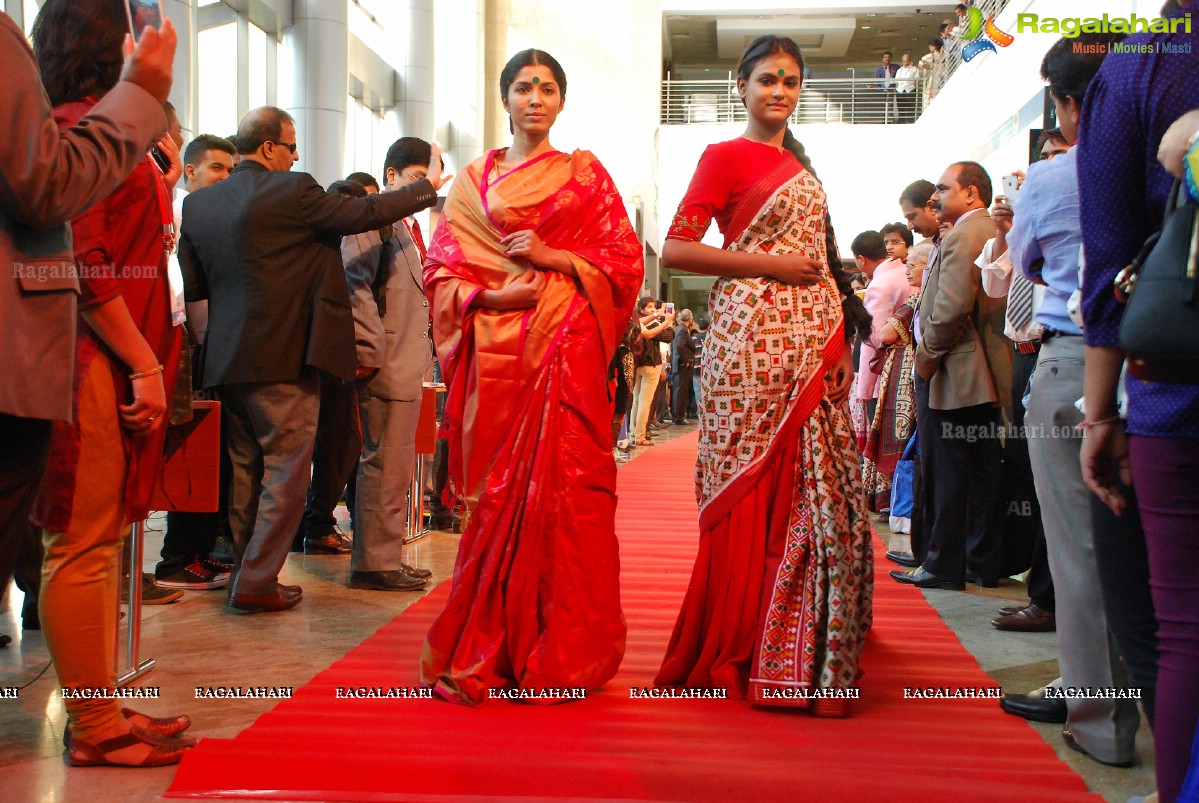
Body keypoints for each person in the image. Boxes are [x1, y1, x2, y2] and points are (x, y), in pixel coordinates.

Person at [655, 34, 873, 715]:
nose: (778, 90)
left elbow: (822, 263)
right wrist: (767, 267)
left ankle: (800, 636)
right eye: (766, 80)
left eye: (790, 80)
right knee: (749, 480)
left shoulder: (801, 168)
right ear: (740, 86)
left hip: (813, 342)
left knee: (809, 483)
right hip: (746, 340)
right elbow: (676, 248)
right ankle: (739, 636)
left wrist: (839, 343)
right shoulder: (722, 157)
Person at [421, 48, 643, 705]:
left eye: (547, 88)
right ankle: (490, 640)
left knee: (567, 499)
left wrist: (552, 258)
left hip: (563, 354)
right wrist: (490, 300)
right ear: (505, 98)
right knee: (496, 501)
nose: (535, 99)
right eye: (523, 88)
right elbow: (442, 270)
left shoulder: (584, 175)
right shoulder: (472, 181)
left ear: (561, 100)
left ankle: (561, 647)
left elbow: (623, 264)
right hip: (495, 361)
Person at [178, 106, 445, 613]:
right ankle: (257, 581)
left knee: (243, 471)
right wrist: (425, 187)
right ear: (270, 148)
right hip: (285, 357)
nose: (297, 154)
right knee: (286, 472)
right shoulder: (293, 191)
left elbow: (197, 291)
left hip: (226, 358)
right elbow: (365, 214)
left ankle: (244, 569)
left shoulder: (200, 208)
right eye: (292, 144)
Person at [24, 0, 195, 767]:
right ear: (108, 39)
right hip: (92, 363)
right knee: (82, 544)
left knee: (101, 542)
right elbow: (86, 261)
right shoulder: (75, 124)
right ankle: (93, 725)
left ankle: (99, 702)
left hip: (116, 362)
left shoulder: (99, 120)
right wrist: (144, 362)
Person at [1077, 2, 1199, 797]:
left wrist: (1096, 415)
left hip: (1176, 385)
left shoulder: (1138, 64)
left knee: (1184, 630)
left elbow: (1110, 261)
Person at [892, 161, 1010, 590]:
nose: (935, 197)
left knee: (948, 472)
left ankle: (943, 565)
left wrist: (926, 357)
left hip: (955, 369)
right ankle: (980, 561)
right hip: (975, 371)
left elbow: (950, 308)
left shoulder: (965, 233)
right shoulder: (977, 230)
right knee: (979, 472)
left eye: (943, 188)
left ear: (972, 194)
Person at [343, 137, 441, 592]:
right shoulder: (374, 218)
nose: (425, 189)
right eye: (417, 179)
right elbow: (353, 282)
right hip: (386, 361)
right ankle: (373, 563)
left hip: (407, 361)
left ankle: (384, 555)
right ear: (391, 177)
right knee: (383, 463)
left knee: (397, 465)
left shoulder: (406, 227)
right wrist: (370, 348)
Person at [155, 133, 238, 590]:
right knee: (190, 453)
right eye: (217, 169)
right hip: (188, 345)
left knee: (210, 455)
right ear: (190, 171)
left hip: (205, 345)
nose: (226, 177)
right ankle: (179, 556)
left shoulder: (208, 213)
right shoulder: (185, 212)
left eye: (230, 169)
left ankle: (199, 550)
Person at [628, 296, 675, 446]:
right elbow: (667, 336)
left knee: (637, 400)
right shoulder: (646, 323)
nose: (653, 309)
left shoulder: (636, 321)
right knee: (644, 402)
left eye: (654, 306)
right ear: (641, 309)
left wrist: (658, 316)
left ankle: (633, 432)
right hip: (650, 365)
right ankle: (640, 435)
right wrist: (667, 321)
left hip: (637, 364)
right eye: (649, 307)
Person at [895, 52, 919, 123]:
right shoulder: (899, 70)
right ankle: (901, 121)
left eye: (907, 61)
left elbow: (917, 80)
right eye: (904, 61)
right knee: (900, 107)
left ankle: (911, 121)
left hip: (910, 89)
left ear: (910, 60)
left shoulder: (914, 69)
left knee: (911, 107)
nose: (905, 63)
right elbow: (896, 80)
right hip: (900, 91)